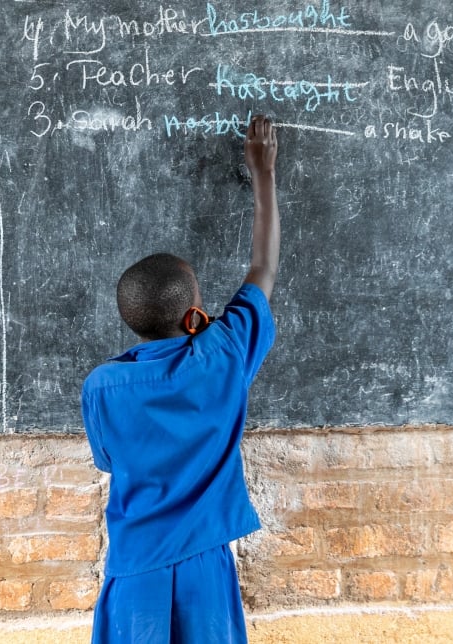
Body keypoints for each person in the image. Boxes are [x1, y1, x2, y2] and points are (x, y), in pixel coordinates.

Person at [81, 114, 279, 643]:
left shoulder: (101, 387)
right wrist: (263, 174)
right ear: (196, 317)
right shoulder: (223, 356)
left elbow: (108, 460)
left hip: (134, 570)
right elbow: (263, 270)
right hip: (204, 567)